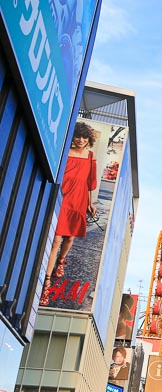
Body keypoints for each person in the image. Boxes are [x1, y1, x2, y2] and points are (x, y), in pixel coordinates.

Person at [41, 121, 99, 306]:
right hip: (64, 197)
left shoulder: (90, 157)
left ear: (88, 139)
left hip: (79, 200)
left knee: (70, 239)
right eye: (77, 136)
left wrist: (90, 203)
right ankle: (47, 282)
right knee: (56, 239)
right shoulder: (65, 154)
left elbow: (90, 183)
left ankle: (61, 261)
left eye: (84, 137)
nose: (81, 140)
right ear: (72, 137)